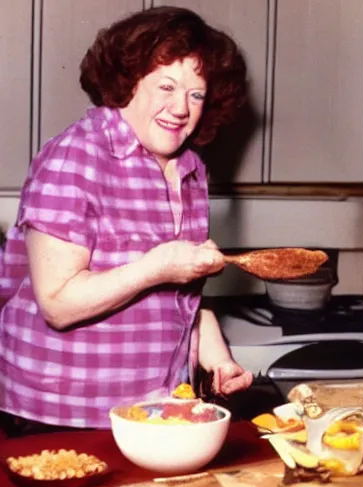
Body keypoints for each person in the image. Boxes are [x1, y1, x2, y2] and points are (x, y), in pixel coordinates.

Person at [0, 6, 253, 432]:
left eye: (196, 94)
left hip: (157, 406)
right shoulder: (76, 157)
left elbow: (178, 297)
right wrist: (156, 266)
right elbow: (59, 303)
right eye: (166, 86)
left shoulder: (190, 168)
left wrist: (216, 357)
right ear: (128, 81)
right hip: (61, 412)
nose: (181, 108)